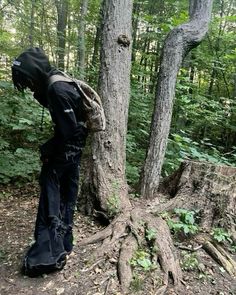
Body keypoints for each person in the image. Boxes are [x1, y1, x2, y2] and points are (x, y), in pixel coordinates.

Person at [12, 47, 88, 277]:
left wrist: (48, 149)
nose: (28, 86)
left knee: (51, 200)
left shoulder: (56, 88)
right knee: (67, 196)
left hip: (64, 154)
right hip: (72, 154)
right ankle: (63, 245)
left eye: (27, 80)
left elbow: (68, 129)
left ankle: (47, 255)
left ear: (33, 73)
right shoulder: (57, 82)